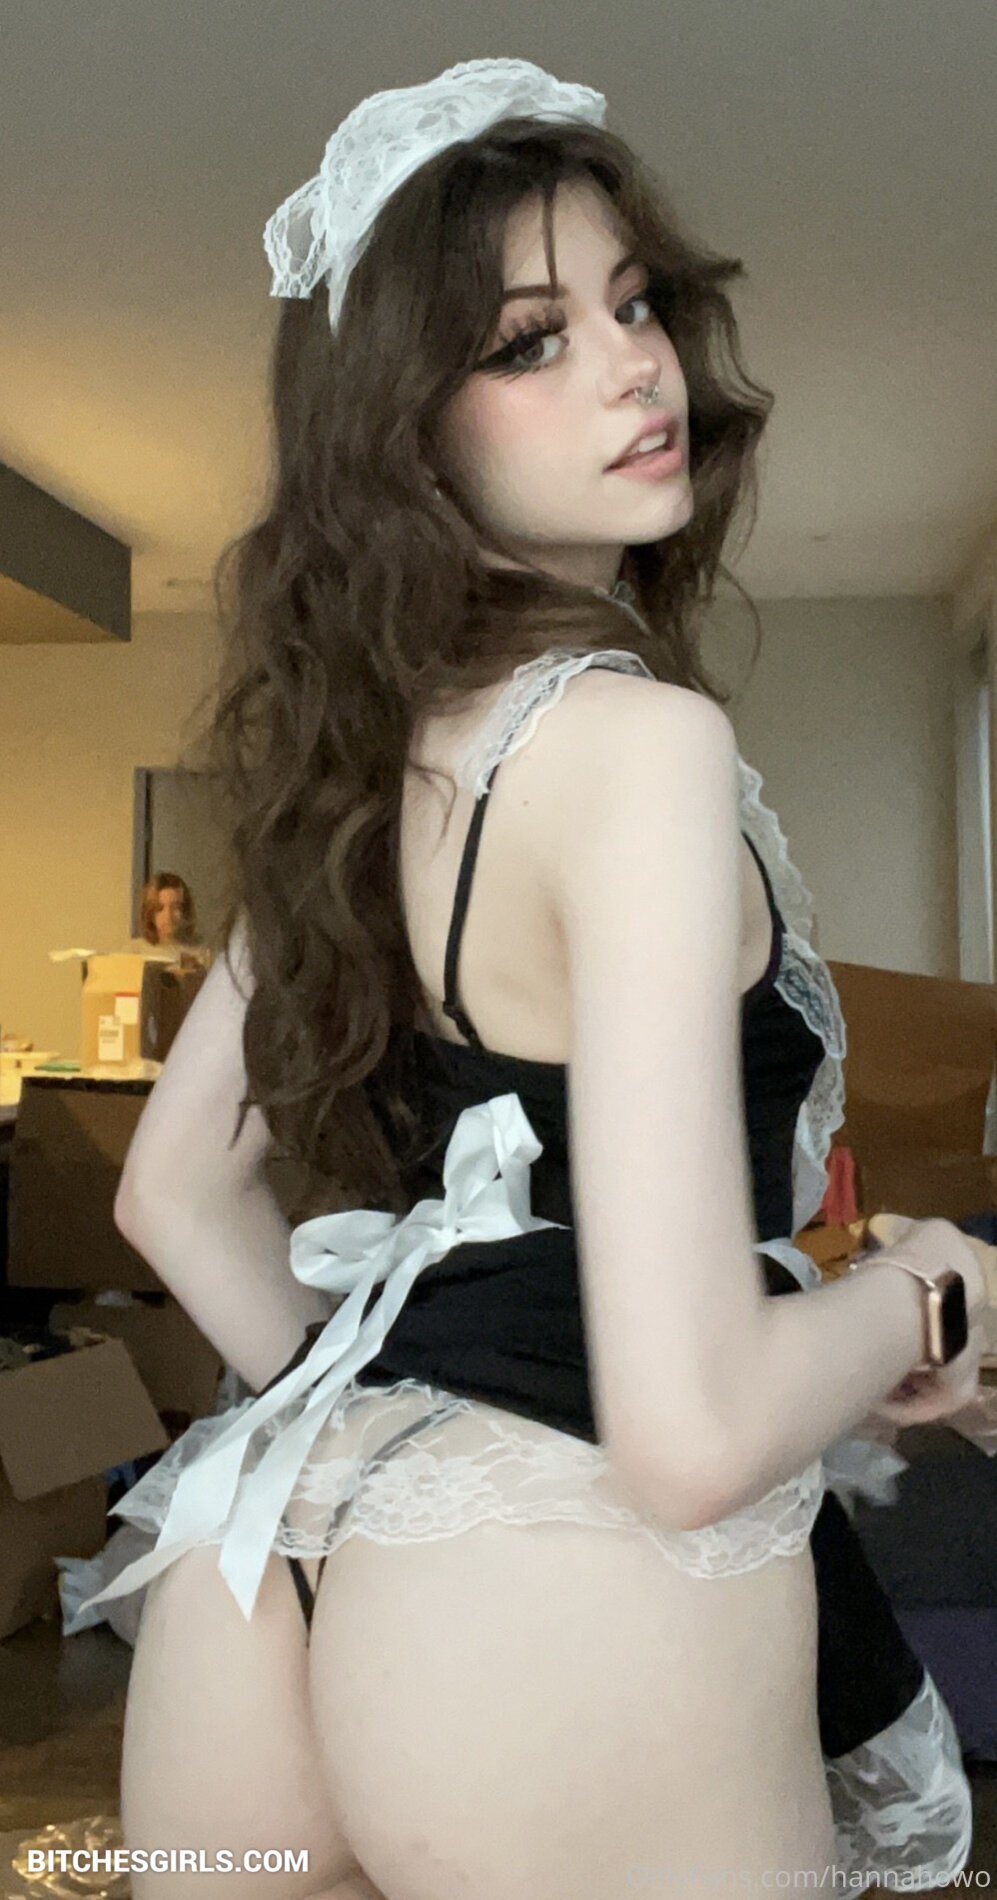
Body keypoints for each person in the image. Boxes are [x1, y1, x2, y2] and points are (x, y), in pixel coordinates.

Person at [79, 59, 986, 1899]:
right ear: (401, 437)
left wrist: (411, 1412)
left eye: (634, 305)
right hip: (552, 1600)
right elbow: (686, 1434)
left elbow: (169, 1189)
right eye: (527, 340)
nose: (633, 368)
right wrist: (933, 1295)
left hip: (271, 1553)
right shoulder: (633, 747)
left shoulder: (359, 765)